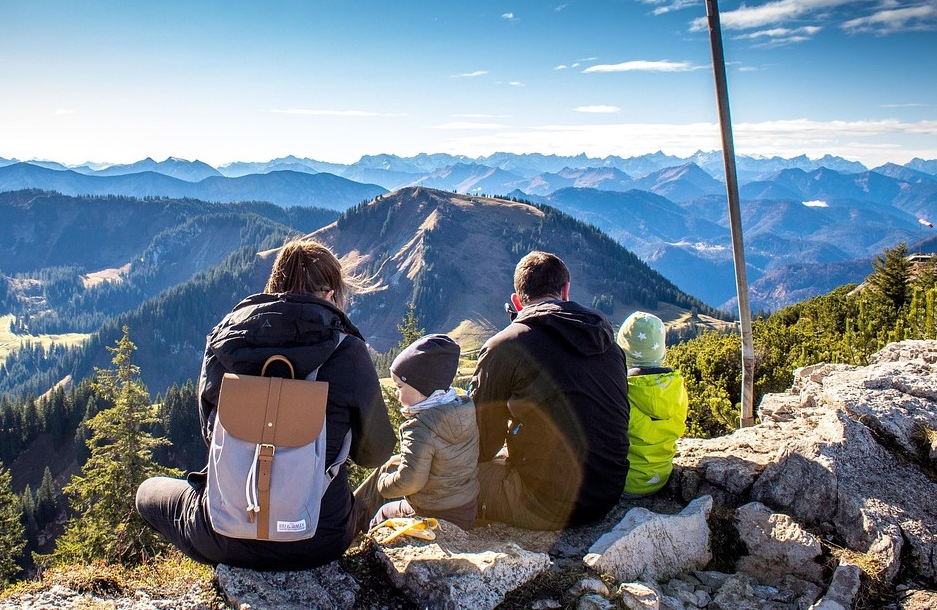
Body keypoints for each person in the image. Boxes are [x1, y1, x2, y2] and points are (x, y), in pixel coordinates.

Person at [135, 239, 395, 570]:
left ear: (274, 286)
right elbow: (376, 452)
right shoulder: (348, 352)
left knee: (147, 492)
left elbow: (210, 433)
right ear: (330, 294)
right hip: (318, 537)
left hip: (223, 535)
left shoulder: (225, 341)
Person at [471, 251, 630, 530]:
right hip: (607, 493)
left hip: (545, 504)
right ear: (566, 291)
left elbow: (483, 445)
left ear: (517, 301)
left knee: (427, 476)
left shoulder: (505, 346)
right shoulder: (608, 343)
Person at [353, 334, 479, 531]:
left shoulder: (420, 426)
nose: (396, 393)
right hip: (465, 508)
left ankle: (361, 545)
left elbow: (410, 482)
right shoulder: (463, 410)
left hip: (433, 512)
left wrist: (382, 485)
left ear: (422, 388)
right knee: (390, 464)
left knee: (384, 513)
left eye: (400, 386)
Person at [616, 312, 688, 496]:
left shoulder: (620, 390)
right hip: (662, 477)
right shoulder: (677, 387)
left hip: (625, 483)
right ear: (662, 351)